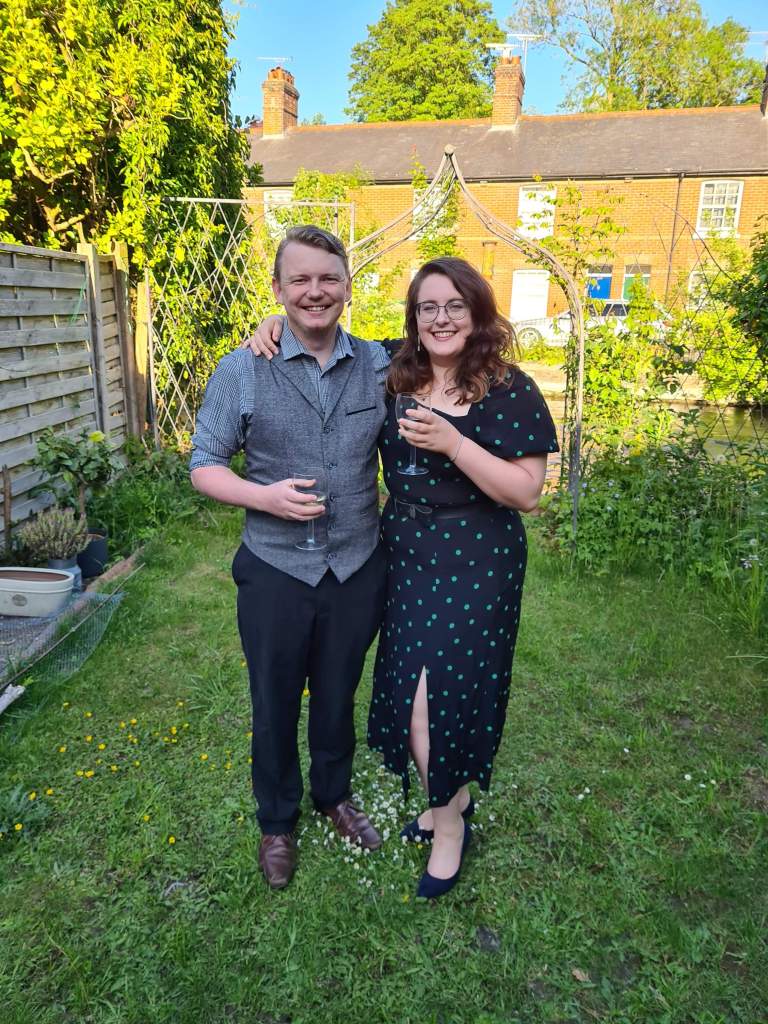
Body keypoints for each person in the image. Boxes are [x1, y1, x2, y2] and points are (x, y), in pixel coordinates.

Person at [246, 258, 558, 898]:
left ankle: (449, 828)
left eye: (454, 306)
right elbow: (320, 327)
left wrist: (454, 444)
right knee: (410, 684)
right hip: (406, 556)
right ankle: (452, 802)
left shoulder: (508, 388)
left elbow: (526, 493)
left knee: (435, 701)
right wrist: (271, 321)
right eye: (427, 307)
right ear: (413, 319)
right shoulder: (394, 371)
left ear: (478, 313)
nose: (440, 318)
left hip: (477, 558)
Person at [190, 225, 392, 891]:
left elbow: (455, 364)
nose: (315, 291)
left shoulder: (381, 366)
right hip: (275, 569)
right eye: (299, 279)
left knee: (337, 694)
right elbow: (204, 467)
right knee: (273, 700)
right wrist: (264, 497)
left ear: (348, 288)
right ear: (277, 290)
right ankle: (277, 821)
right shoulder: (242, 367)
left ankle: (333, 795)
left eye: (328, 278)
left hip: (355, 565)